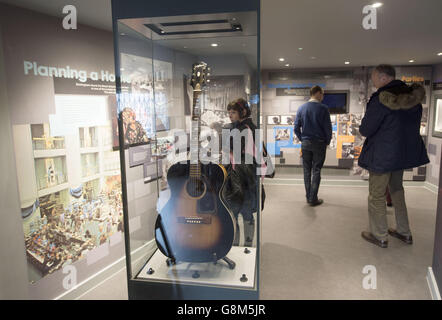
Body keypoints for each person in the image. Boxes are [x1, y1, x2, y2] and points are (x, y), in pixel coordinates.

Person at [358, 64, 429, 248]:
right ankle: (404, 232)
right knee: (397, 191)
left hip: (382, 155)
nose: (373, 81)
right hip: (402, 155)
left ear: (383, 78)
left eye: (374, 78)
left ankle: (379, 234)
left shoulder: (381, 99)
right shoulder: (413, 98)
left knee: (376, 195)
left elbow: (366, 129)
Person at [222, 98, 263, 247]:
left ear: (243, 112)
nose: (230, 115)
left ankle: (243, 245)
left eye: (233, 112)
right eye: (229, 112)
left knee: (241, 211)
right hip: (237, 175)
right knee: (236, 211)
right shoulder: (246, 127)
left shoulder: (246, 128)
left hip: (244, 176)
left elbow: (233, 150)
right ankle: (241, 245)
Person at [294, 86, 332, 206]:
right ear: (317, 93)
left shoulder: (301, 108)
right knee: (316, 170)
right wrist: (327, 141)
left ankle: (308, 196)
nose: (323, 96)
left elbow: (296, 128)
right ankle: (313, 198)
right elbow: (327, 128)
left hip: (305, 144)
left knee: (306, 170)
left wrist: (302, 139)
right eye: (322, 94)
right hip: (319, 143)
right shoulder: (323, 108)